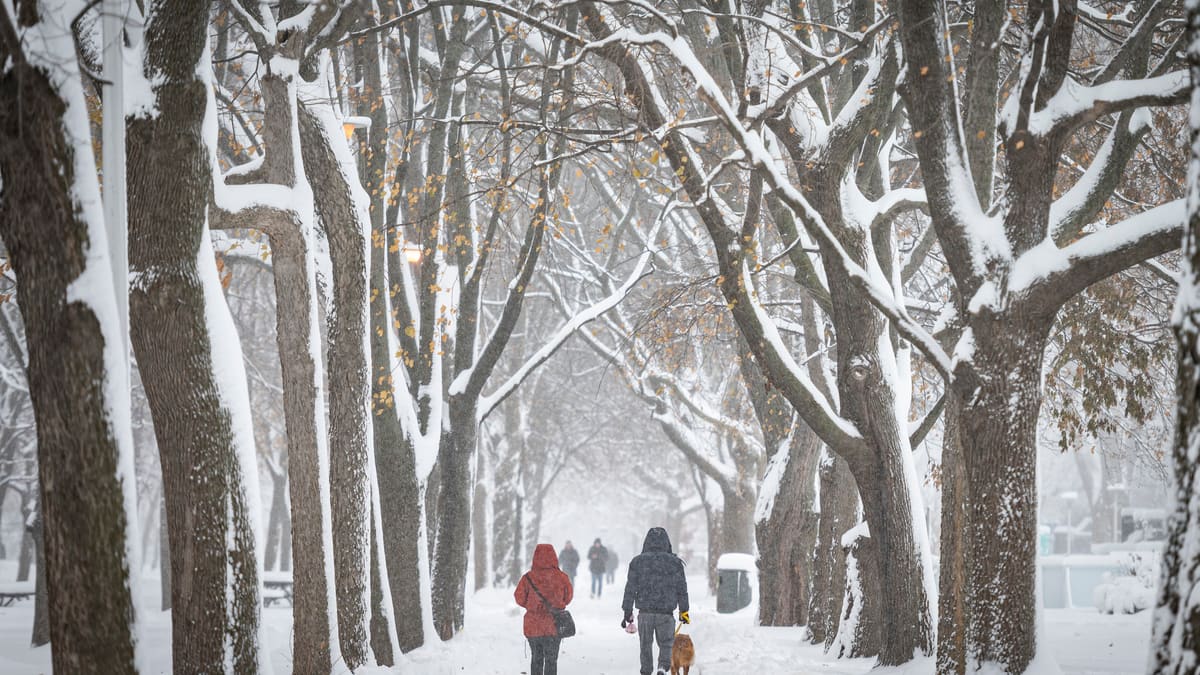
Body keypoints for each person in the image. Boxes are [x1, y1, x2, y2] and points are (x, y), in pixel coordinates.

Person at [621, 527, 690, 675]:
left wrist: (627, 610)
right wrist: (684, 611)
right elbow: (682, 589)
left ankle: (646, 671)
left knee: (645, 645)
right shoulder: (675, 563)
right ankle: (662, 668)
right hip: (666, 613)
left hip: (645, 613)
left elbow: (630, 588)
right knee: (666, 644)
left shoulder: (638, 562)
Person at [515, 543, 573, 675]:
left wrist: (531, 606)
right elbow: (568, 597)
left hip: (533, 625)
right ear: (554, 557)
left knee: (536, 658)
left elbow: (519, 597)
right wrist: (557, 603)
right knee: (551, 660)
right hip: (553, 625)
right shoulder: (562, 577)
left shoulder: (528, 578)